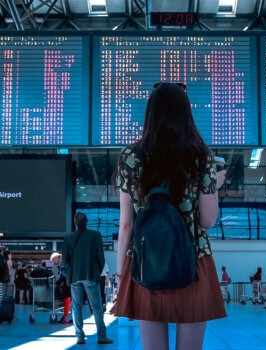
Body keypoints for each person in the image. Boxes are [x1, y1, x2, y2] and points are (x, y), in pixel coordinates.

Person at [110, 82, 227, 350]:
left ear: (150, 113)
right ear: (185, 113)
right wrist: (213, 187)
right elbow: (208, 222)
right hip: (194, 262)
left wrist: (120, 274)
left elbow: (126, 224)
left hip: (145, 262)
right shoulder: (201, 157)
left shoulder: (131, 156)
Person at [63, 212, 113, 345]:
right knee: (96, 307)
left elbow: (64, 261)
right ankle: (101, 337)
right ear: (87, 222)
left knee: (76, 307)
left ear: (75, 223)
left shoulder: (68, 238)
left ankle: (79, 337)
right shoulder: (95, 235)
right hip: (91, 275)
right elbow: (101, 258)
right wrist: (96, 270)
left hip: (74, 277)